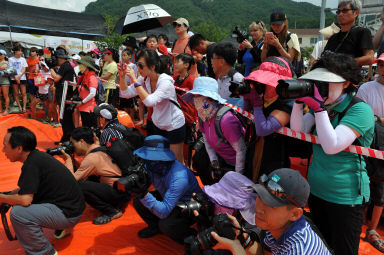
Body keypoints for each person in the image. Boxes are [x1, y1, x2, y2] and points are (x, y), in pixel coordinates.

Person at [290, 52, 374, 255]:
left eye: (326, 83)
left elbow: (331, 145)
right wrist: (299, 102)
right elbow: (298, 132)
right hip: (317, 191)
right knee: (321, 248)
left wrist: (318, 108)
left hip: (345, 197)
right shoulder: (326, 105)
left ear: (346, 83)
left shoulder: (360, 110)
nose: (321, 88)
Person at [0, 126, 85, 255]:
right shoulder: (37, 157)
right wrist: (6, 195)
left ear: (19, 148)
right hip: (73, 208)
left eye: (5, 146)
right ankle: (64, 228)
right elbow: (26, 190)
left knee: (18, 213)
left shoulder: (31, 164)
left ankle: (44, 252)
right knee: (15, 199)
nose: (3, 150)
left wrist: (2, 198)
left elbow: (25, 199)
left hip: (69, 213)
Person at [211, 168, 331, 255]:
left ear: (295, 214)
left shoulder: (300, 250)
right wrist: (241, 236)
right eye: (260, 196)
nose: (258, 207)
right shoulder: (278, 227)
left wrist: (236, 248)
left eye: (271, 204)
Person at [119, 48, 186, 162]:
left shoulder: (165, 81)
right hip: (158, 122)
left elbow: (150, 102)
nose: (138, 69)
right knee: (161, 158)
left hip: (174, 123)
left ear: (153, 66)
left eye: (141, 66)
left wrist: (134, 80)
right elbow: (125, 93)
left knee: (176, 160)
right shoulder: (144, 78)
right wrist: (121, 76)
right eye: (137, 65)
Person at [132, 135, 201, 243]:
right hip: (166, 195)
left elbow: (163, 212)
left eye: (152, 158)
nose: (148, 161)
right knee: (138, 201)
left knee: (166, 224)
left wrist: (144, 193)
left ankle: (191, 237)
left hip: (187, 205)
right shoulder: (151, 165)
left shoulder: (179, 177)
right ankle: (155, 227)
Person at [182, 77, 247, 183]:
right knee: (199, 162)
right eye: (194, 96)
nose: (195, 100)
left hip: (238, 166)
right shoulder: (203, 115)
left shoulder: (227, 120)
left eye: (198, 96)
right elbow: (206, 138)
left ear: (210, 98)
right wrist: (214, 163)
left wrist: (238, 178)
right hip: (222, 160)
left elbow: (241, 150)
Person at [62, 127, 128, 225]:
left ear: (81, 141)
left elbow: (71, 181)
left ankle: (111, 211)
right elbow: (85, 170)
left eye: (73, 143)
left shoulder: (91, 158)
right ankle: (111, 205)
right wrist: (72, 159)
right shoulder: (97, 147)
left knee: (79, 185)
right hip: (122, 191)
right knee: (89, 177)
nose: (72, 146)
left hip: (117, 196)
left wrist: (67, 159)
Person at [356, 53, 384, 252]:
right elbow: (361, 115)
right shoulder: (366, 88)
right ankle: (358, 222)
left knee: (381, 189)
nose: (383, 68)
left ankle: (372, 228)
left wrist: (379, 121)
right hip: (368, 143)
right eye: (381, 64)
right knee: (362, 181)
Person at [323, 0, 374, 66]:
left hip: (348, 75)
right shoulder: (333, 37)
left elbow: (370, 58)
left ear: (356, 12)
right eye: (338, 11)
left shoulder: (362, 32)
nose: (340, 14)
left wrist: (343, 63)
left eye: (344, 11)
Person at [50, 48, 76, 143]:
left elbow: (56, 78)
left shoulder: (65, 66)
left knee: (66, 118)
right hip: (62, 93)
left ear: (60, 58)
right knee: (64, 118)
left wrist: (51, 70)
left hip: (65, 94)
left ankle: (69, 139)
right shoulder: (65, 66)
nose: (55, 60)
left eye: (56, 58)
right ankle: (65, 138)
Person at [212, 42, 244, 106]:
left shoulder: (238, 79)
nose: (211, 62)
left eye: (213, 58)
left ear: (221, 62)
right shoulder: (220, 78)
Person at [71, 55, 99, 128]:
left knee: (91, 130)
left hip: (89, 109)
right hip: (83, 107)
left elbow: (93, 93)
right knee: (85, 128)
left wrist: (82, 101)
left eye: (81, 64)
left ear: (86, 66)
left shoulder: (92, 77)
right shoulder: (84, 77)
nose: (79, 66)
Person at [118, 49, 140, 122]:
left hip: (131, 88)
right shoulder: (121, 65)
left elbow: (135, 76)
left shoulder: (133, 66)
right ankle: (126, 120)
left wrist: (131, 84)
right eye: (122, 55)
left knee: (132, 106)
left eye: (125, 55)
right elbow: (119, 76)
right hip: (123, 88)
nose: (123, 57)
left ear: (130, 56)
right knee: (125, 106)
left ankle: (132, 119)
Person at [9, 45, 28, 113]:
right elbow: (10, 69)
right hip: (13, 78)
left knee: (24, 93)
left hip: (22, 77)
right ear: (15, 51)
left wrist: (19, 76)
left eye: (21, 51)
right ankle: (19, 106)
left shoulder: (23, 59)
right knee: (16, 93)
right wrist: (16, 77)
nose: (20, 52)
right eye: (19, 51)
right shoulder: (11, 59)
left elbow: (24, 69)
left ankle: (24, 107)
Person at [0, 49, 10, 116]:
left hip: (5, 81)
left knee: (5, 96)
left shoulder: (6, 62)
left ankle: (6, 109)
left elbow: (2, 67)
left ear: (4, 55)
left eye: (0, 54)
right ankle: (0, 109)